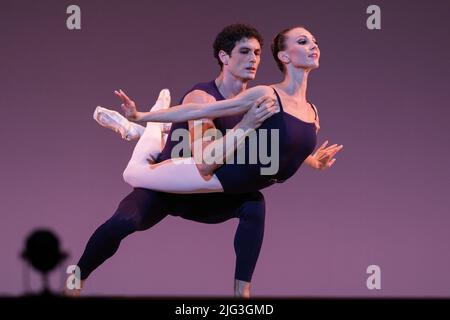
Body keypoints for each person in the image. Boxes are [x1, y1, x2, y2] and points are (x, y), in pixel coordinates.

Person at [70, 24, 273, 298]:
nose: (254, 59)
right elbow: (205, 157)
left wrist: (308, 158)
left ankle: (242, 294)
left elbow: (277, 141)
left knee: (254, 204)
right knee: (122, 223)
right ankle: (75, 282)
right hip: (166, 186)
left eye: (258, 53)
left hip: (204, 193)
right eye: (245, 51)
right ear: (224, 57)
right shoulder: (202, 96)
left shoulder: (254, 100)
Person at [98, 25, 343, 195]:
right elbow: (194, 111)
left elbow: (279, 144)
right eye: (303, 41)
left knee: (186, 139)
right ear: (284, 56)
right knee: (134, 174)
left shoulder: (309, 110)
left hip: (233, 163)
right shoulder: (264, 95)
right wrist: (142, 115)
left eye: (314, 41)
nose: (313, 45)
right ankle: (144, 127)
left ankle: (146, 129)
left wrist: (312, 161)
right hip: (213, 167)